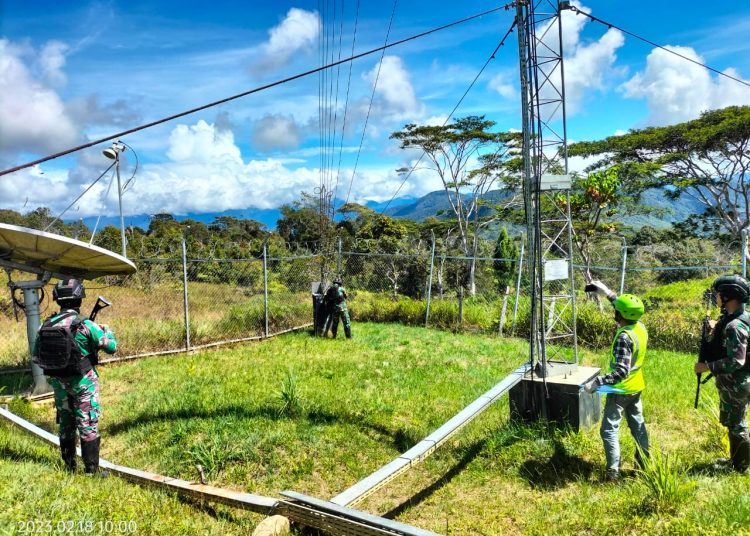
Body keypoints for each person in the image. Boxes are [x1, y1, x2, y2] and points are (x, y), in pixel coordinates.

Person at [33, 278, 117, 476]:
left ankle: (69, 468)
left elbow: (36, 355)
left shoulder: (45, 325)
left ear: (57, 300)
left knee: (66, 424)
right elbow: (112, 348)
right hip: (83, 382)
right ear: (79, 298)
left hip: (59, 383)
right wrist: (107, 331)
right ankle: (91, 471)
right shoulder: (86, 325)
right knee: (87, 422)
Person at [583, 280, 649, 480]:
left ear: (619, 314)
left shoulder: (624, 338)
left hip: (620, 390)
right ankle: (643, 466)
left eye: (617, 309)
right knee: (638, 426)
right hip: (636, 386)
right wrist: (606, 292)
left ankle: (613, 472)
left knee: (608, 430)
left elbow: (620, 371)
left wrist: (597, 383)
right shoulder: (639, 327)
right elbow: (622, 306)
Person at [694, 274, 750, 473]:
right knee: (732, 423)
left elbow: (736, 361)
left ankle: (741, 467)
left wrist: (706, 367)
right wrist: (716, 328)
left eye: (719, 293)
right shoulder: (735, 319)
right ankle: (735, 461)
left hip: (737, 382)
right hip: (734, 382)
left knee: (737, 425)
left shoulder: (735, 326)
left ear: (729, 296)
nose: (716, 297)